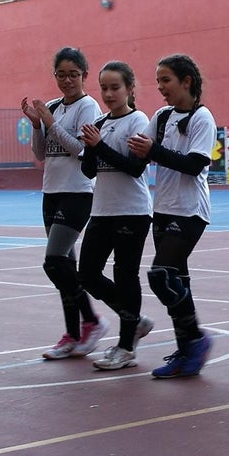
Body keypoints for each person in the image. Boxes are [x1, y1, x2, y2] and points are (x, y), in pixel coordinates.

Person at [127, 54, 218, 378]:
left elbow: (194, 165)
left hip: (190, 210)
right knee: (179, 281)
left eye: (165, 80)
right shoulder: (162, 117)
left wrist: (152, 151)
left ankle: (196, 340)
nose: (160, 87)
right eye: (158, 81)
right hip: (163, 208)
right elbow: (138, 157)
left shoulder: (201, 118)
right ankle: (186, 352)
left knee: (160, 275)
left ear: (186, 81)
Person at [21, 47, 108, 361]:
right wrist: (37, 125)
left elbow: (81, 150)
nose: (67, 80)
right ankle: (72, 334)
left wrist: (52, 125)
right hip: (52, 191)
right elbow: (41, 154)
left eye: (73, 74)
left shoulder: (88, 106)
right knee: (64, 267)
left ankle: (93, 321)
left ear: (84, 75)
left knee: (54, 261)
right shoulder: (53, 107)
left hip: (77, 192)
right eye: (61, 74)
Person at [78, 62, 156, 370]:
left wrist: (99, 145)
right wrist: (91, 147)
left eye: (115, 88)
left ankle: (126, 348)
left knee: (125, 276)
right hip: (102, 209)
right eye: (104, 88)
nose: (109, 94)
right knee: (87, 274)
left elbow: (134, 168)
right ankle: (135, 320)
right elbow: (88, 170)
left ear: (130, 89)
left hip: (131, 211)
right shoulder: (99, 122)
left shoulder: (138, 120)